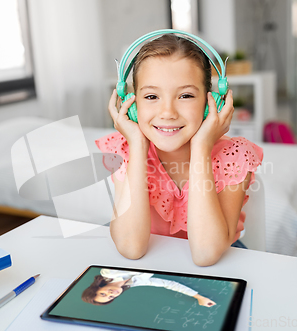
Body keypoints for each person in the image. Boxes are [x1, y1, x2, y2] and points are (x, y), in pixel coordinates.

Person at [95, 33, 263, 266]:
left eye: (185, 95)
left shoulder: (233, 157)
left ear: (211, 102)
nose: (168, 112)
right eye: (152, 96)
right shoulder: (125, 149)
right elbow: (131, 247)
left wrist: (202, 147)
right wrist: (137, 145)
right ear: (132, 105)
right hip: (151, 264)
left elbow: (206, 254)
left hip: (220, 266)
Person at [81, 268, 215, 307]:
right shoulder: (135, 283)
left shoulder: (109, 272)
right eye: (110, 297)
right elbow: (168, 284)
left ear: (97, 287)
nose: (112, 294)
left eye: (103, 294)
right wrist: (199, 297)